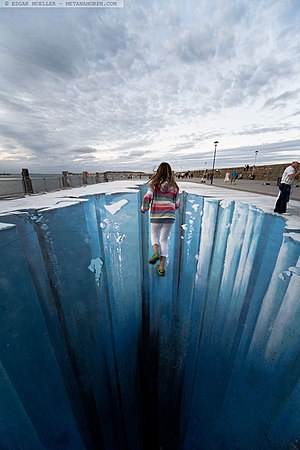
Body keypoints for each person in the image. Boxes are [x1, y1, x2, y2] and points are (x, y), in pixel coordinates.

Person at [141, 162, 180, 276]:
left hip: (156, 215)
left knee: (154, 236)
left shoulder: (154, 184)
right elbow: (177, 204)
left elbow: (147, 197)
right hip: (170, 216)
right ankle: (162, 267)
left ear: (158, 171)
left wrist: (144, 208)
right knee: (164, 240)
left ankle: (156, 253)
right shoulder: (174, 186)